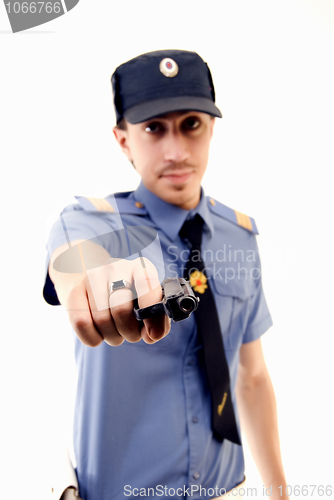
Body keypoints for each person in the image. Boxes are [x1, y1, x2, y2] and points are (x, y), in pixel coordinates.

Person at [44, 49, 289, 500]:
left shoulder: (241, 236)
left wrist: (281, 494)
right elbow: (75, 262)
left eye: (191, 124)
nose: (176, 151)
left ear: (212, 127)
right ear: (123, 140)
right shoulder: (89, 222)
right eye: (153, 128)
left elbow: (252, 376)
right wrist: (100, 276)